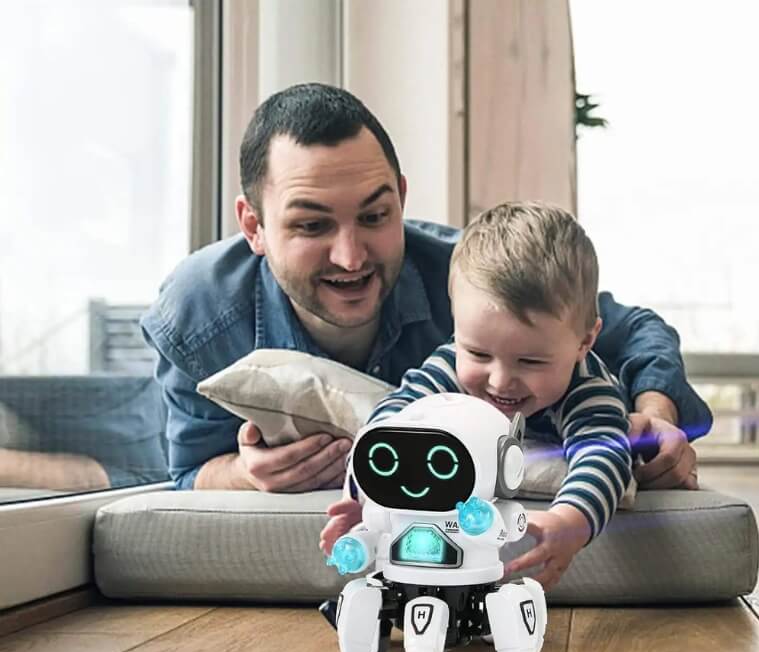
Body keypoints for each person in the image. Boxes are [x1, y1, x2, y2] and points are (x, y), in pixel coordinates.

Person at [140, 82, 711, 496]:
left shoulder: (472, 278)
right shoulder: (197, 315)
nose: (351, 256)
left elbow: (635, 329)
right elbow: (188, 472)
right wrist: (244, 475)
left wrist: (655, 411)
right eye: (312, 225)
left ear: (402, 199)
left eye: (375, 215)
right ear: (254, 227)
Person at [321, 201, 632, 590]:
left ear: (584, 342)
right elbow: (390, 421)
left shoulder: (587, 390)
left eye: (531, 361)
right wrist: (368, 497)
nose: (501, 381)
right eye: (479, 354)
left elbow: (604, 454)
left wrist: (571, 520)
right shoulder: (450, 366)